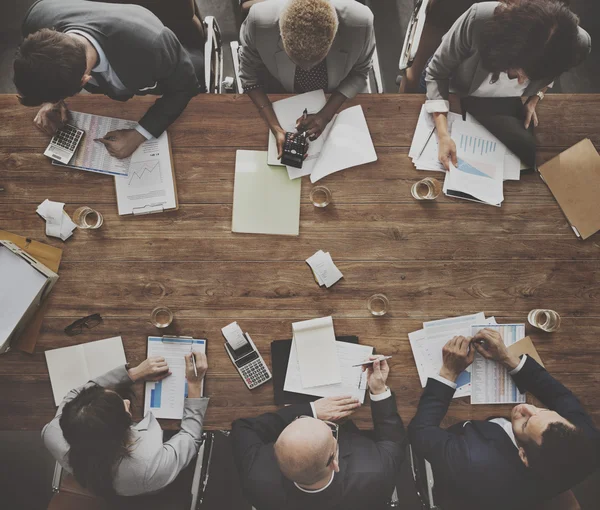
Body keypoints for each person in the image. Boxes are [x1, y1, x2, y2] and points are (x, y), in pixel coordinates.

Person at [408, 330, 599, 510]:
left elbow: (420, 431)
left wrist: (449, 371)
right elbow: (561, 397)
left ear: (523, 455)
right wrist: (509, 358)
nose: (525, 407)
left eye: (525, 423)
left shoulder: (471, 460)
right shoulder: (586, 442)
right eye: (543, 410)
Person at [15, 0, 202, 159]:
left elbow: (184, 88)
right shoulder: (37, 18)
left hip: (168, 65)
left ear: (84, 80)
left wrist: (139, 135)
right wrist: (52, 100)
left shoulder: (152, 46)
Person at [423, 0, 591, 168]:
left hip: (498, 104)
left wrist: (535, 98)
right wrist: (443, 135)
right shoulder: (480, 19)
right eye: (518, 71)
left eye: (530, 77)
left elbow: (554, 73)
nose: (520, 82)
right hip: (454, 87)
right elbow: (437, 73)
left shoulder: (576, 45)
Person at [231, 356, 405, 510]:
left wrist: (312, 409)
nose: (326, 421)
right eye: (331, 430)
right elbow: (392, 439)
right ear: (335, 461)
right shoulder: (376, 472)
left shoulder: (255, 477)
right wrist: (379, 390)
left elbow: (243, 428)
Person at [42, 353, 209, 497]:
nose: (127, 401)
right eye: (124, 407)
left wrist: (134, 373)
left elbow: (76, 394)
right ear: (123, 427)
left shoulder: (53, 432)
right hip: (146, 484)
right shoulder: (149, 467)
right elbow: (190, 437)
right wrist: (194, 384)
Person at [239, 0, 375, 158]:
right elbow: (248, 77)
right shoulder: (259, 20)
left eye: (316, 62)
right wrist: (276, 128)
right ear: (281, 35)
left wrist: (326, 114)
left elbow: (360, 71)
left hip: (337, 94)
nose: (306, 69)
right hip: (279, 90)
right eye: (295, 60)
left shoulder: (361, 23)